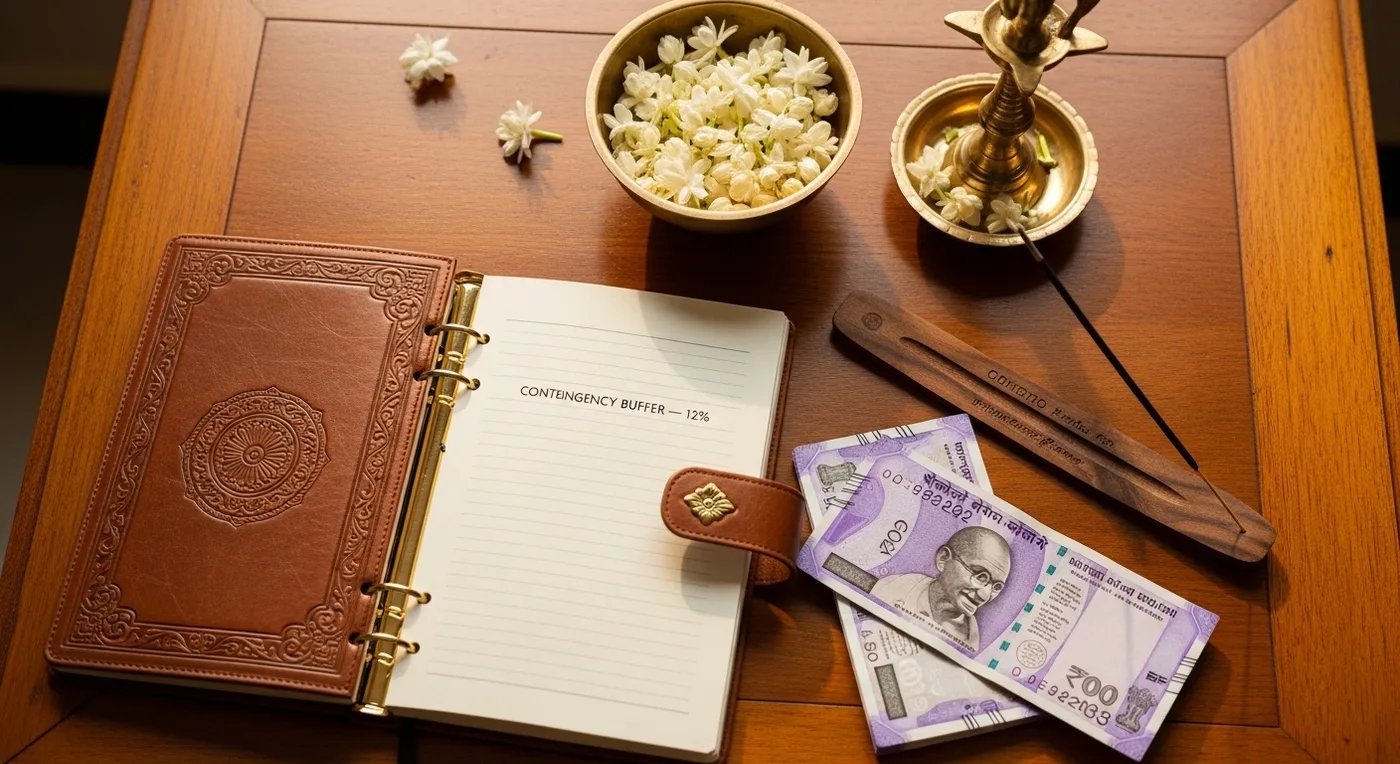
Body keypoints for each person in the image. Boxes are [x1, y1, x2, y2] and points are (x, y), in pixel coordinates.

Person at [871, 526, 1011, 648]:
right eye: (979, 575)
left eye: (996, 587)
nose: (984, 595)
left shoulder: (972, 645)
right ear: (943, 559)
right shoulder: (889, 590)